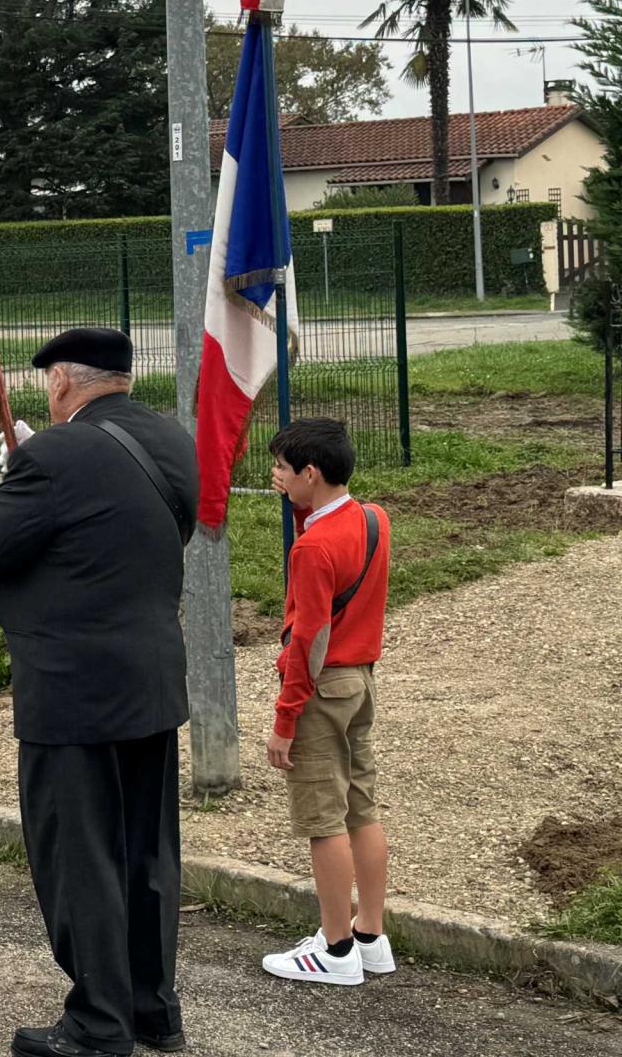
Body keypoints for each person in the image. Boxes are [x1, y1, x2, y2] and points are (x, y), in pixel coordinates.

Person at [0, 328, 197, 1057]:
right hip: (152, 677)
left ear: (63, 381)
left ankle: (98, 1025)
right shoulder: (171, 439)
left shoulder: (56, 454)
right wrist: (41, 470)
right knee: (147, 853)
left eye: (49, 382)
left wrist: (21, 473)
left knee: (80, 856)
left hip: (73, 691)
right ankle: (154, 1011)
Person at [260, 417, 395, 986]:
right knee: (361, 806)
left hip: (321, 687)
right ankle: (370, 936)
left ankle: (335, 951)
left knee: (323, 819)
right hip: (360, 680)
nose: (276, 478)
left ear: (310, 472)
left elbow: (309, 642)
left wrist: (284, 721)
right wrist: (298, 507)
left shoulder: (311, 550)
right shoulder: (372, 517)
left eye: (284, 471)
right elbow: (332, 556)